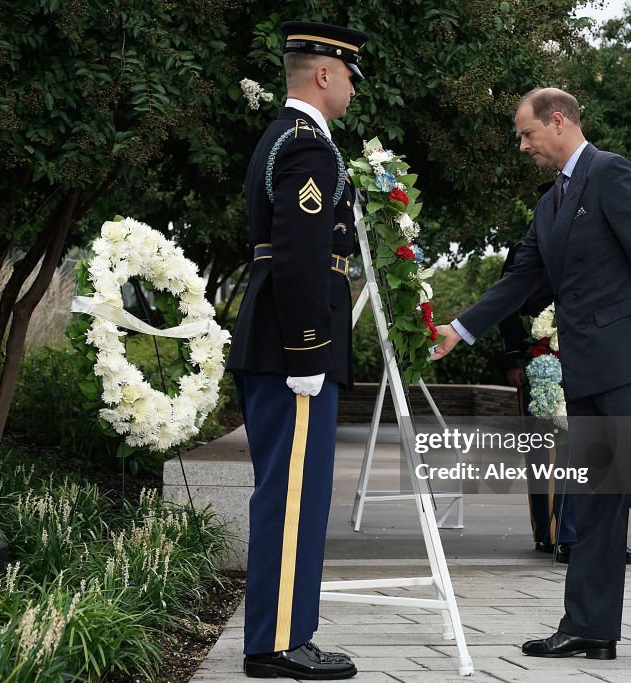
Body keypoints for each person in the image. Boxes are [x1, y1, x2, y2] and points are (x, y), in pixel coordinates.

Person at [430, 88, 631, 668]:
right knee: (594, 505)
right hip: (586, 370)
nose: (524, 145)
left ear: (557, 122)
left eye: (527, 133)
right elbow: (520, 281)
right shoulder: (550, 204)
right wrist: (459, 330)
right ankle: (589, 627)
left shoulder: (614, 176)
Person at [225, 20, 367, 680]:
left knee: (290, 493)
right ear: (324, 73)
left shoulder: (287, 139)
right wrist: (310, 351)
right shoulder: (308, 146)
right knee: (292, 498)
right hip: (292, 353)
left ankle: (281, 633)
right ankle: (279, 642)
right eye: (349, 79)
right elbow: (303, 256)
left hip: (274, 345)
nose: (352, 92)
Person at [498, 240, 631, 566]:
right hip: (544, 355)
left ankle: (606, 538)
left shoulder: (608, 242)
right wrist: (514, 359)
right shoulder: (529, 247)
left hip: (598, 355)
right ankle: (558, 532)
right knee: (551, 450)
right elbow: (509, 303)